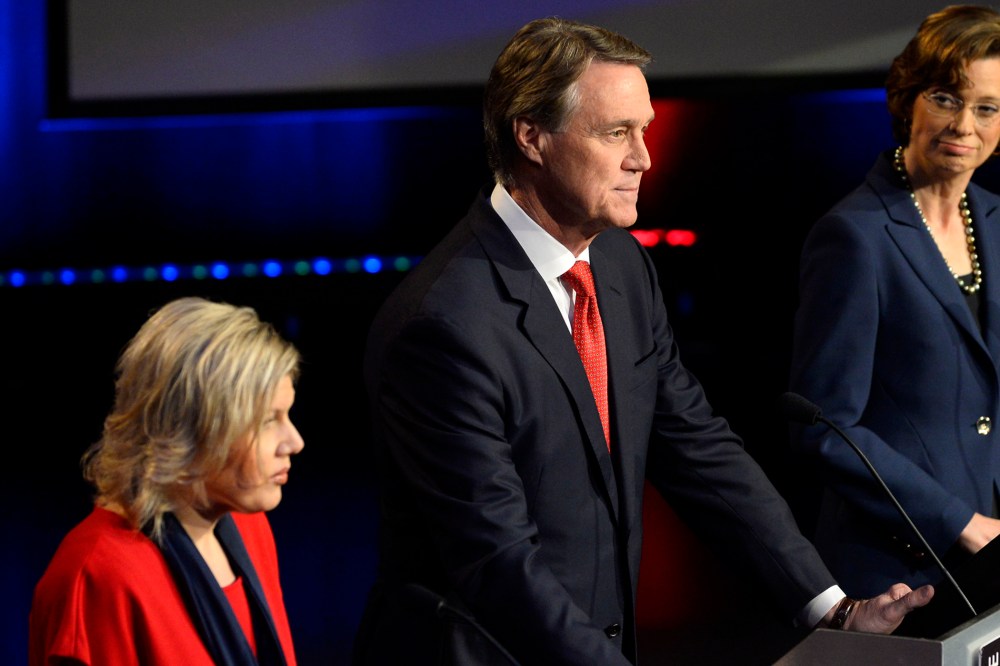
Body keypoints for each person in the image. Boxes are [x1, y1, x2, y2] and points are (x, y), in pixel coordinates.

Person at [352, 16, 934, 666]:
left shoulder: (621, 265)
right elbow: (497, 561)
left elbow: (696, 447)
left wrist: (832, 607)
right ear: (532, 136)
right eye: (615, 133)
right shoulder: (445, 325)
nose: (644, 158)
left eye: (645, 130)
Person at [788, 5, 1000, 600]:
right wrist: (957, 522)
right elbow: (825, 427)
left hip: (991, 563)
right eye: (946, 98)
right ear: (908, 99)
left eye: (987, 108)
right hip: (897, 572)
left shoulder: (996, 220)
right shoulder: (854, 235)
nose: (964, 125)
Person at [29, 296, 304, 666]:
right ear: (191, 428)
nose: (295, 442)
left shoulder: (250, 527)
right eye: (269, 420)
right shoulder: (95, 577)